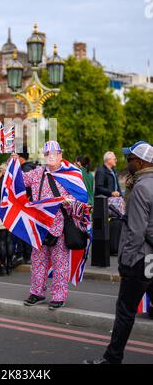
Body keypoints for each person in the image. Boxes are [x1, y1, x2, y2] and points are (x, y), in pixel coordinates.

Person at [84, 141, 153, 364]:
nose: (126, 162)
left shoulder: (141, 187)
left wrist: (125, 262)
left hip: (140, 257)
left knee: (125, 310)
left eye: (130, 159)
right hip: (151, 257)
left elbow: (136, 231)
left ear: (141, 162)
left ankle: (112, 358)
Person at [17, 141, 89, 309]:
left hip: (61, 227)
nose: (51, 157)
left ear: (60, 155)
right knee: (38, 261)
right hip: (39, 227)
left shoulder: (72, 174)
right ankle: (37, 292)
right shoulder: (36, 173)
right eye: (48, 154)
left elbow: (82, 200)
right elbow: (18, 181)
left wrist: (68, 202)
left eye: (54, 154)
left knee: (60, 263)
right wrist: (13, 163)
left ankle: (58, 296)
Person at [11, 148, 36, 267]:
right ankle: (27, 255)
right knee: (27, 230)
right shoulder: (33, 167)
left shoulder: (23, 170)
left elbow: (21, 188)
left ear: (20, 158)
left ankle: (22, 254)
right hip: (31, 204)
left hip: (24, 204)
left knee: (22, 230)